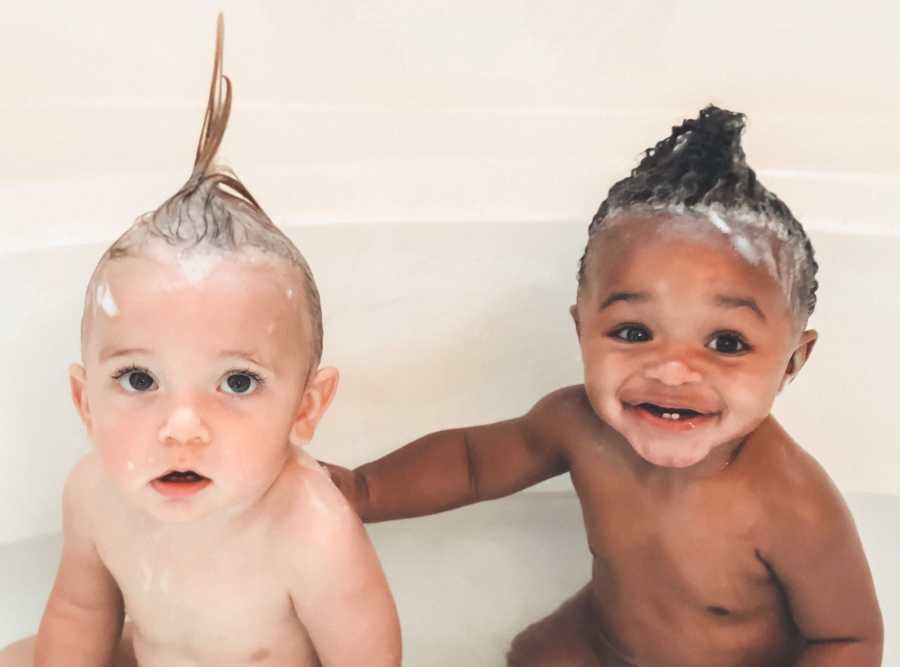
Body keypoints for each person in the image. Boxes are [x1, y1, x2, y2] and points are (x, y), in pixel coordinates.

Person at [324, 106, 883, 666]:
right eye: (634, 332)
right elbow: (473, 462)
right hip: (604, 639)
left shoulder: (790, 502)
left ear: (792, 362)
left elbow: (846, 639)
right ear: (581, 330)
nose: (673, 371)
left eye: (727, 344)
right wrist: (360, 491)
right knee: (534, 655)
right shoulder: (579, 425)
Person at [0, 16, 400, 667]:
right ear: (85, 400)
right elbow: (80, 612)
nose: (182, 427)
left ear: (306, 407)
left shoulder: (312, 531)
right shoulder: (93, 492)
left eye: (237, 381)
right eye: (138, 379)